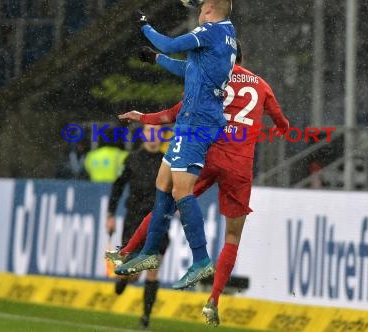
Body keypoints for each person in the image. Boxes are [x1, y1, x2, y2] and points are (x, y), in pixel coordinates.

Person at [109, 41, 289, 326]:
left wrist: (142, 117)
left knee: (165, 201)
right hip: (239, 166)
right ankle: (213, 300)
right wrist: (277, 131)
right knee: (232, 238)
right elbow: (282, 123)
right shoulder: (261, 85)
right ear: (243, 58)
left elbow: (172, 113)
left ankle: (127, 251)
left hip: (208, 156)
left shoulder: (208, 81)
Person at [115, 0, 237, 290]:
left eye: (200, 9)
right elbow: (189, 69)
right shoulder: (227, 37)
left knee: (182, 191)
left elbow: (170, 43)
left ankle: (200, 259)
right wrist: (157, 59)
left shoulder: (211, 30)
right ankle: (148, 254)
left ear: (208, 9)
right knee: (163, 184)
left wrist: (144, 26)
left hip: (198, 122)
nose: (198, 14)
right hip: (190, 121)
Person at [106, 124, 168, 329]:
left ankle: (146, 317)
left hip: (158, 221)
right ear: (143, 135)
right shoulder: (132, 159)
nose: (153, 136)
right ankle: (125, 277)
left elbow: (177, 188)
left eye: (156, 132)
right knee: (134, 274)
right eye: (149, 132)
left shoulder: (167, 162)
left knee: (152, 268)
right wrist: (111, 215)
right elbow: (118, 187)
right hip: (134, 220)